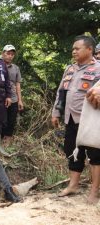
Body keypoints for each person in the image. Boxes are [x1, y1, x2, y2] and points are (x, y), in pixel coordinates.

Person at [51, 35, 100, 204]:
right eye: (73, 49)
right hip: (70, 117)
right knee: (71, 151)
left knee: (95, 154)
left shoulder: (99, 68)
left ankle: (94, 191)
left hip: (91, 119)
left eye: (77, 48)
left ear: (89, 49)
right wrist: (56, 112)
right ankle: (73, 185)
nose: (73, 51)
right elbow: (60, 92)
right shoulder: (70, 69)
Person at [1, 45, 24, 145]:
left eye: (12, 54)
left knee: (11, 120)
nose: (10, 56)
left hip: (14, 98)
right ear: (3, 53)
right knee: (2, 120)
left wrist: (20, 100)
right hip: (0, 98)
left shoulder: (15, 68)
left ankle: (8, 140)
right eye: (8, 53)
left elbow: (18, 84)